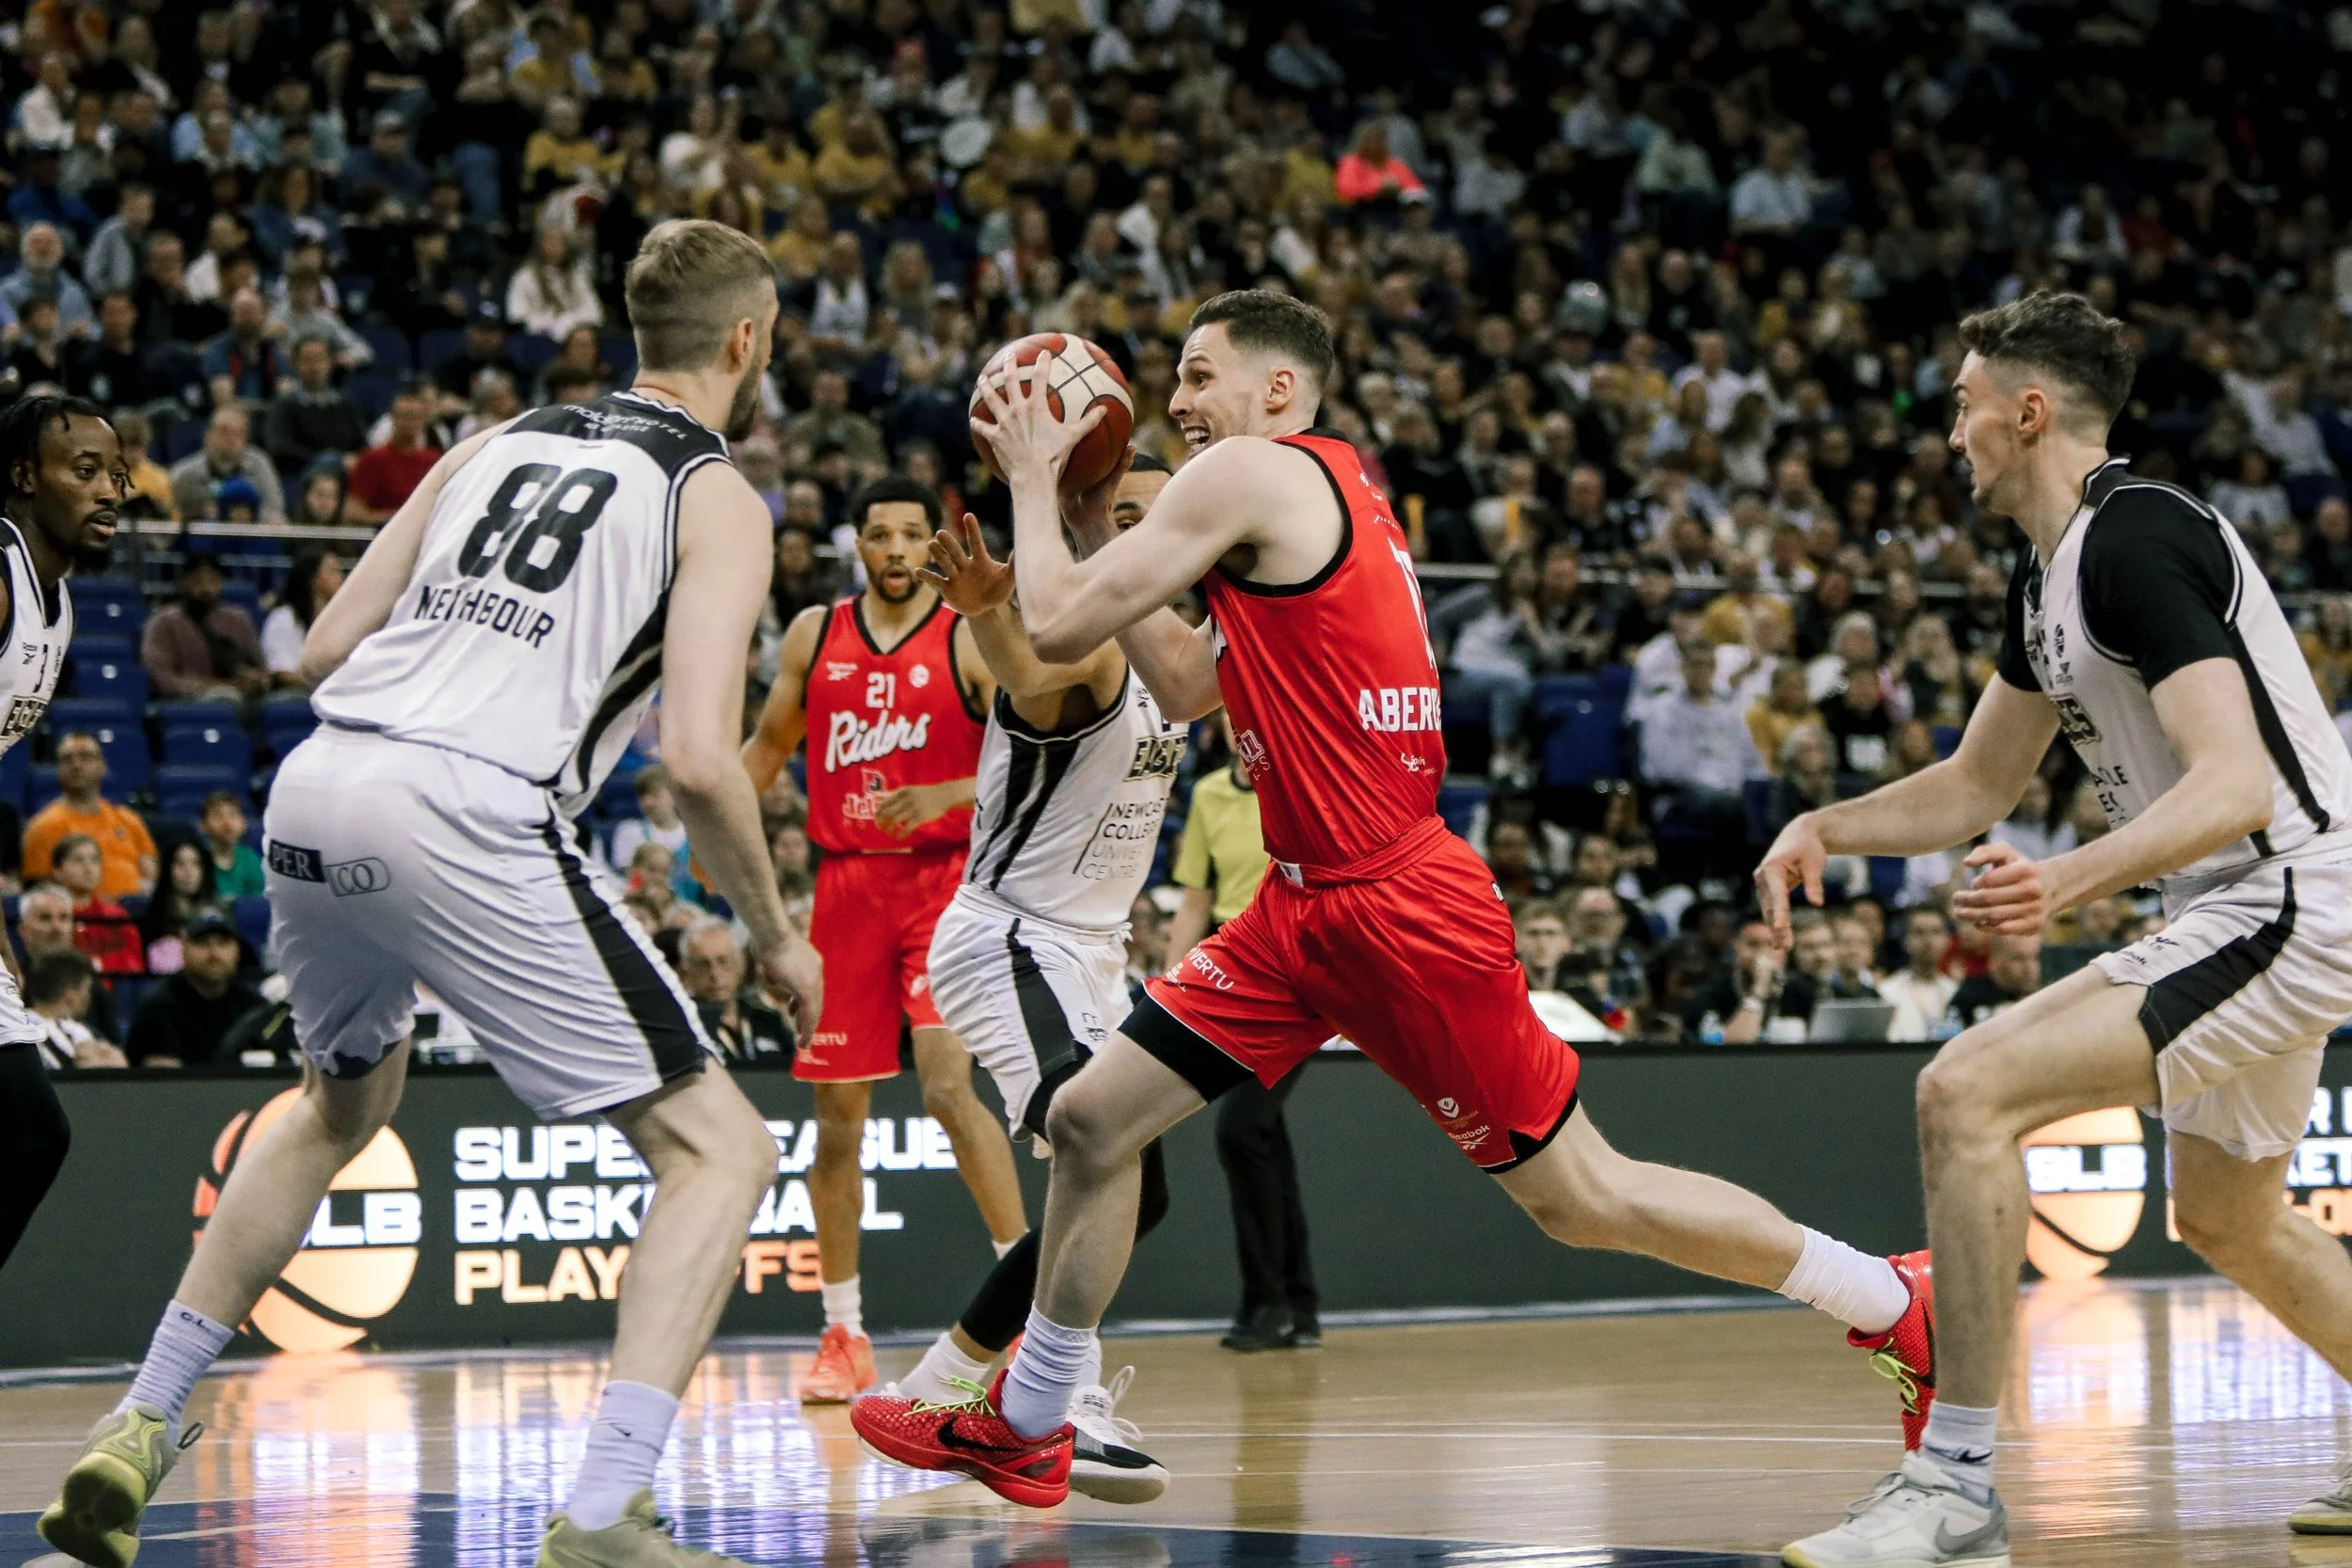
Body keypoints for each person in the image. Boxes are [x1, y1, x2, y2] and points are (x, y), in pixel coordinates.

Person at [856, 288, 1929, 1507]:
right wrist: (1097, 515)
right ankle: (1031, 1413)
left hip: (1394, 906)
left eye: (1200, 376)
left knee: (1586, 1197)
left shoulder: (1252, 472)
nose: (1177, 401)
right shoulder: (1329, 486)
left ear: (1275, 389)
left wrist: (1039, 483)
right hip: (1300, 906)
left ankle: (1890, 1295)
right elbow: (1191, 681)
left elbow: (1051, 625)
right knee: (1096, 1121)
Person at [38, 220, 823, 1568]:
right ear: (747, 341)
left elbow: (330, 641)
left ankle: (141, 1418)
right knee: (723, 1150)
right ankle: (603, 1512)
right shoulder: (718, 498)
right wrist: (777, 935)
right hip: (466, 806)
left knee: (341, 1098)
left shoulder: (488, 441)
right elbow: (699, 755)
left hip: (323, 776)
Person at [1761, 293, 2352, 1565]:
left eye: (1965, 402)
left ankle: (1956, 1482)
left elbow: (2236, 783)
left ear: (2028, 410)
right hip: (2243, 897)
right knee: (2230, 1216)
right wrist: (1829, 824)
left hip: (2296, 891)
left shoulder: (2138, 538)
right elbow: (1977, 786)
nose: (1951, 431)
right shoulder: (2047, 570)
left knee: (1963, 1090)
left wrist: (2067, 880)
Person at [862, 456, 1189, 1504]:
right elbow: (1031, 674)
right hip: (1014, 939)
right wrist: (992, 617)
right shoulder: (1087, 641)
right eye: (1117, 514)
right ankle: (1022, 1401)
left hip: (1091, 953)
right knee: (1102, 1151)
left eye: (1155, 512)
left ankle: (975, 1389)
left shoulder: (1176, 655)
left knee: (1139, 1187)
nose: (1139, 530)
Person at [742, 474, 1027, 1402]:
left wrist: (948, 794)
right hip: (844, 890)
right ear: (856, 545)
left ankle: (1022, 1322)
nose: (898, 549)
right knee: (836, 1123)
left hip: (943, 885)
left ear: (934, 543)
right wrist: (710, 846)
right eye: (881, 534)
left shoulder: (966, 634)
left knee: (949, 1090)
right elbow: (761, 755)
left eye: (914, 533)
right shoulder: (813, 636)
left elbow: (1030, 755)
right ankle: (843, 1331)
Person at [0, 395, 121, 1281]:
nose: (109, 489)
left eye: (115, 473)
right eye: (83, 471)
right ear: (21, 478)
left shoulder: (59, 606)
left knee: (31, 1129)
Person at [1162, 707, 1318, 1353]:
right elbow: (1195, 898)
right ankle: (1297, 1303)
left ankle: (1267, 1300)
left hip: (1298, 974)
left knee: (1242, 1127)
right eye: (1229, 713)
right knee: (1263, 1136)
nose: (1241, 723)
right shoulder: (1208, 794)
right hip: (1230, 974)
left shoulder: (1304, 779)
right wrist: (1170, 985)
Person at [24, 731, 155, 899]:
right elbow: (41, 893)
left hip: (134, 917)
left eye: (85, 757)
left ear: (102, 765)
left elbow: (151, 876)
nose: (76, 765)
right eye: (67, 759)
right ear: (57, 769)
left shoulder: (129, 820)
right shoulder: (42, 827)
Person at [120, 907, 260, 1066]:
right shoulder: (159, 1006)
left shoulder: (253, 1005)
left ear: (237, 949)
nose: (214, 953)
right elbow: (162, 1079)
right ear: (183, 947)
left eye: (223, 943)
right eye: (202, 943)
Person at [139, 551, 266, 701]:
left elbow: (261, 668)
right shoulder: (163, 622)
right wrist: (214, 686)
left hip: (244, 703)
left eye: (212, 581)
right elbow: (159, 677)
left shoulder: (238, 619)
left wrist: (255, 679)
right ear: (183, 582)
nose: (206, 589)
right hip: (187, 705)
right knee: (223, 696)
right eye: (198, 581)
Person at [675, 917, 792, 1064]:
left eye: (723, 961)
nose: (715, 974)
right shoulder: (681, 1028)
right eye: (703, 965)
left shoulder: (767, 1018)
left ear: (741, 963)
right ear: (686, 971)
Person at [344, 380, 443, 525]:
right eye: (405, 416)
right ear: (393, 418)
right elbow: (352, 512)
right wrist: (394, 518)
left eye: (415, 417)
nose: (410, 422)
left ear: (423, 421)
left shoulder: (435, 460)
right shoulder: (373, 458)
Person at [53, 834, 142, 975]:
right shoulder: (51, 918)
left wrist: (98, 964)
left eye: (94, 860)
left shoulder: (117, 916)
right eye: (78, 860)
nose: (88, 868)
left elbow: (134, 962)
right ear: (57, 871)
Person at [261, 549, 346, 689]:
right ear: (314, 579)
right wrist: (325, 688)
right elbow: (282, 674)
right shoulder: (283, 619)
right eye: (333, 571)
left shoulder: (342, 620)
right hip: (298, 695)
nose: (340, 578)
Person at [1875, 905, 1960, 1044]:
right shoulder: (1886, 991)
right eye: (1919, 932)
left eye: (1936, 932)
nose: (1928, 940)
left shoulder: (1955, 990)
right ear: (1906, 941)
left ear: (1948, 940)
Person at [28, 949, 124, 1070]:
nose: (88, 998)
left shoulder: (12, 1028)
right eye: (87, 990)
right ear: (71, 996)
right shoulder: (78, 1034)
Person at [141, 839, 222, 974]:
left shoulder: (218, 912)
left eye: (195, 864)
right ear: (168, 870)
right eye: (180, 864)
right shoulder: (155, 917)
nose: (188, 871)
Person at [607, 763, 688, 874]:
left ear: (674, 795)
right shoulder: (629, 831)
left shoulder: (694, 836)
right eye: (642, 796)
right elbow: (625, 875)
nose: (647, 802)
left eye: (655, 794)